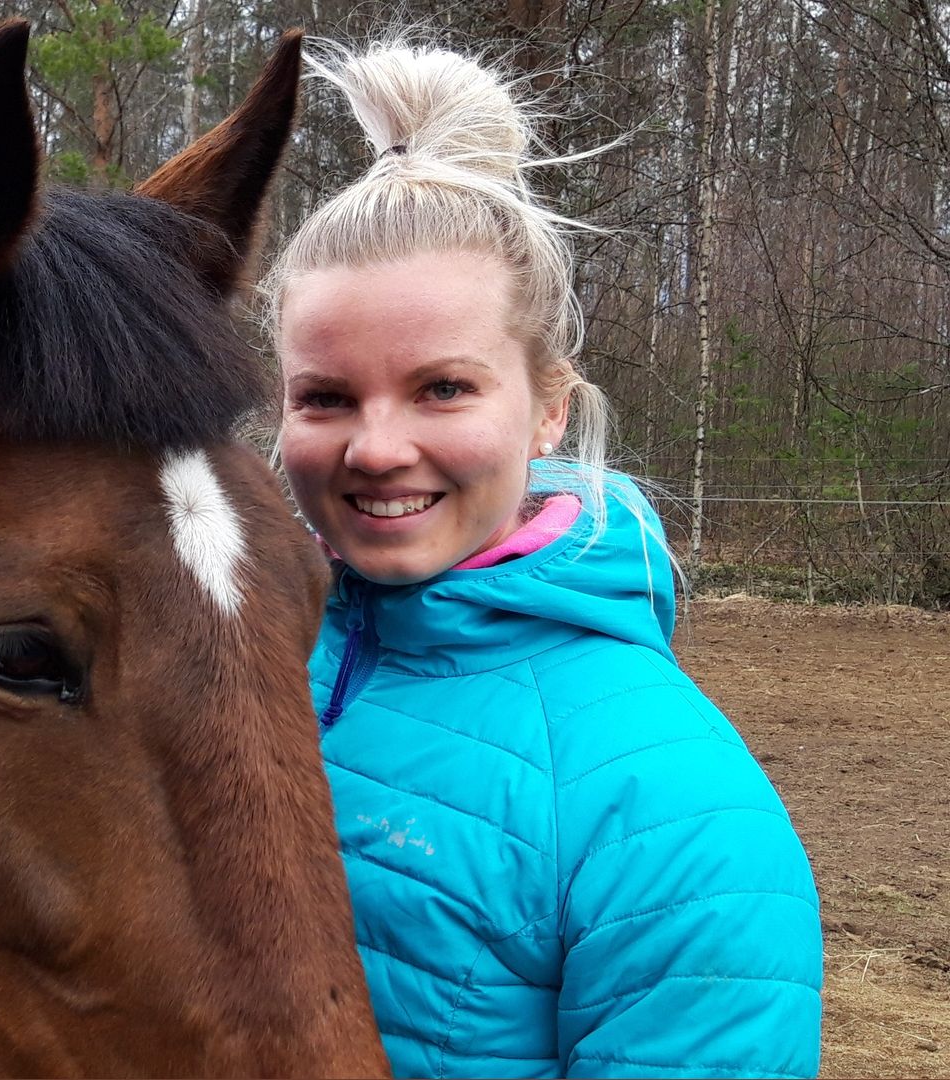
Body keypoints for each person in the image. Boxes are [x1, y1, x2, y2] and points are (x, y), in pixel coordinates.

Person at [261, 41, 823, 1078]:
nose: (375, 449)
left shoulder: (669, 807)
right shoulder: (227, 673)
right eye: (326, 397)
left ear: (549, 410)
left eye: (442, 389)